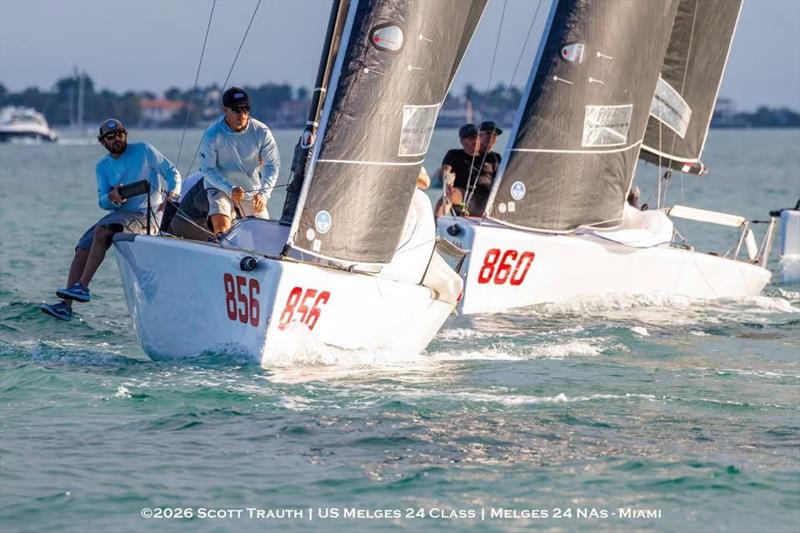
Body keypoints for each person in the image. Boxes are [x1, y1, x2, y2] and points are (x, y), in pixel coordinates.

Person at [40, 119, 181, 321]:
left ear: (125, 134)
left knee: (103, 230)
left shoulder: (144, 150)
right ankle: (65, 306)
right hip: (120, 214)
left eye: (120, 134)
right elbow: (102, 202)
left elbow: (172, 172)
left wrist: (173, 195)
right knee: (82, 247)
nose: (117, 139)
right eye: (111, 137)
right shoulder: (102, 167)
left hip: (147, 214)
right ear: (102, 141)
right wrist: (113, 198)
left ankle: (83, 287)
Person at [200, 86, 280, 234]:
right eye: (236, 110)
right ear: (225, 110)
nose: (242, 114)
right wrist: (229, 189)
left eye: (246, 109)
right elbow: (207, 169)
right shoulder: (212, 135)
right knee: (222, 228)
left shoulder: (262, 132)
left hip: (251, 190)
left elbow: (272, 166)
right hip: (220, 188)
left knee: (265, 236)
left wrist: (264, 194)